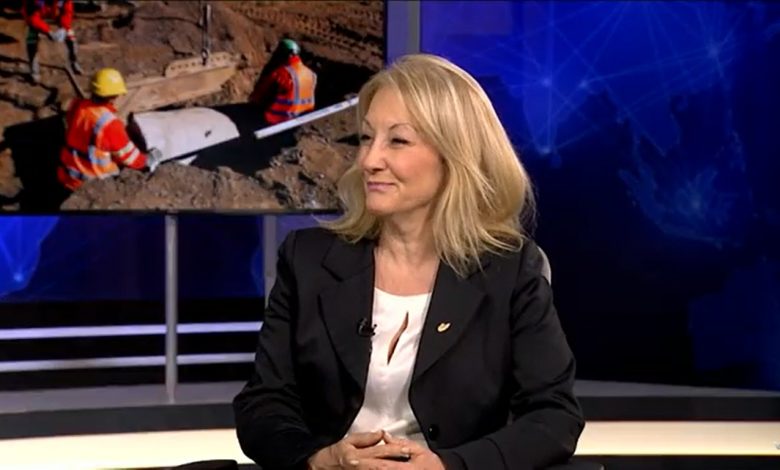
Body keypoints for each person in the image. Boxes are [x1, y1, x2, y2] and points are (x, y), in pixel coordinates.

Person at [233, 54, 584, 470]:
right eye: (366, 138)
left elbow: (553, 417)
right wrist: (321, 458)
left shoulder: (509, 271)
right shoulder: (307, 259)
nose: (369, 160)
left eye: (397, 141)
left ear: (454, 154)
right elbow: (263, 404)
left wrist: (448, 466)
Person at [58, 67, 160, 192]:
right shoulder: (110, 124)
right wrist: (148, 159)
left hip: (67, 175)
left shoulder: (77, 105)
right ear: (114, 96)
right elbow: (131, 158)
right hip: (93, 185)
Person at [248, 38, 317, 126]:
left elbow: (258, 96)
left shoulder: (279, 74)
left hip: (280, 119)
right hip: (304, 118)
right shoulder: (311, 74)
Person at [22, 0, 82, 83]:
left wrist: (64, 27)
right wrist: (48, 31)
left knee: (70, 34)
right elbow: (32, 18)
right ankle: (34, 68)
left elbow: (67, 11)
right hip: (37, 12)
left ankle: (74, 61)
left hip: (55, 11)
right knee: (31, 37)